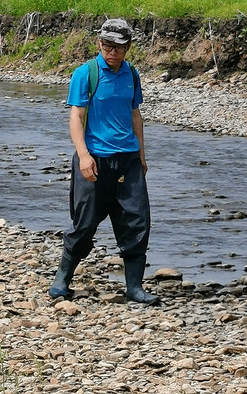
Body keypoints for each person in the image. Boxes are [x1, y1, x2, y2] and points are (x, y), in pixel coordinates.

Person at [49, 18, 160, 306]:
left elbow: (135, 114)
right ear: (99, 44)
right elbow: (76, 116)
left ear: (128, 48)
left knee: (137, 223)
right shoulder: (86, 74)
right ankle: (62, 279)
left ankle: (134, 288)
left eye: (118, 48)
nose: (112, 52)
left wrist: (142, 156)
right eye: (107, 46)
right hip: (95, 160)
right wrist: (84, 156)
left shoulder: (131, 75)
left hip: (128, 160)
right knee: (84, 224)